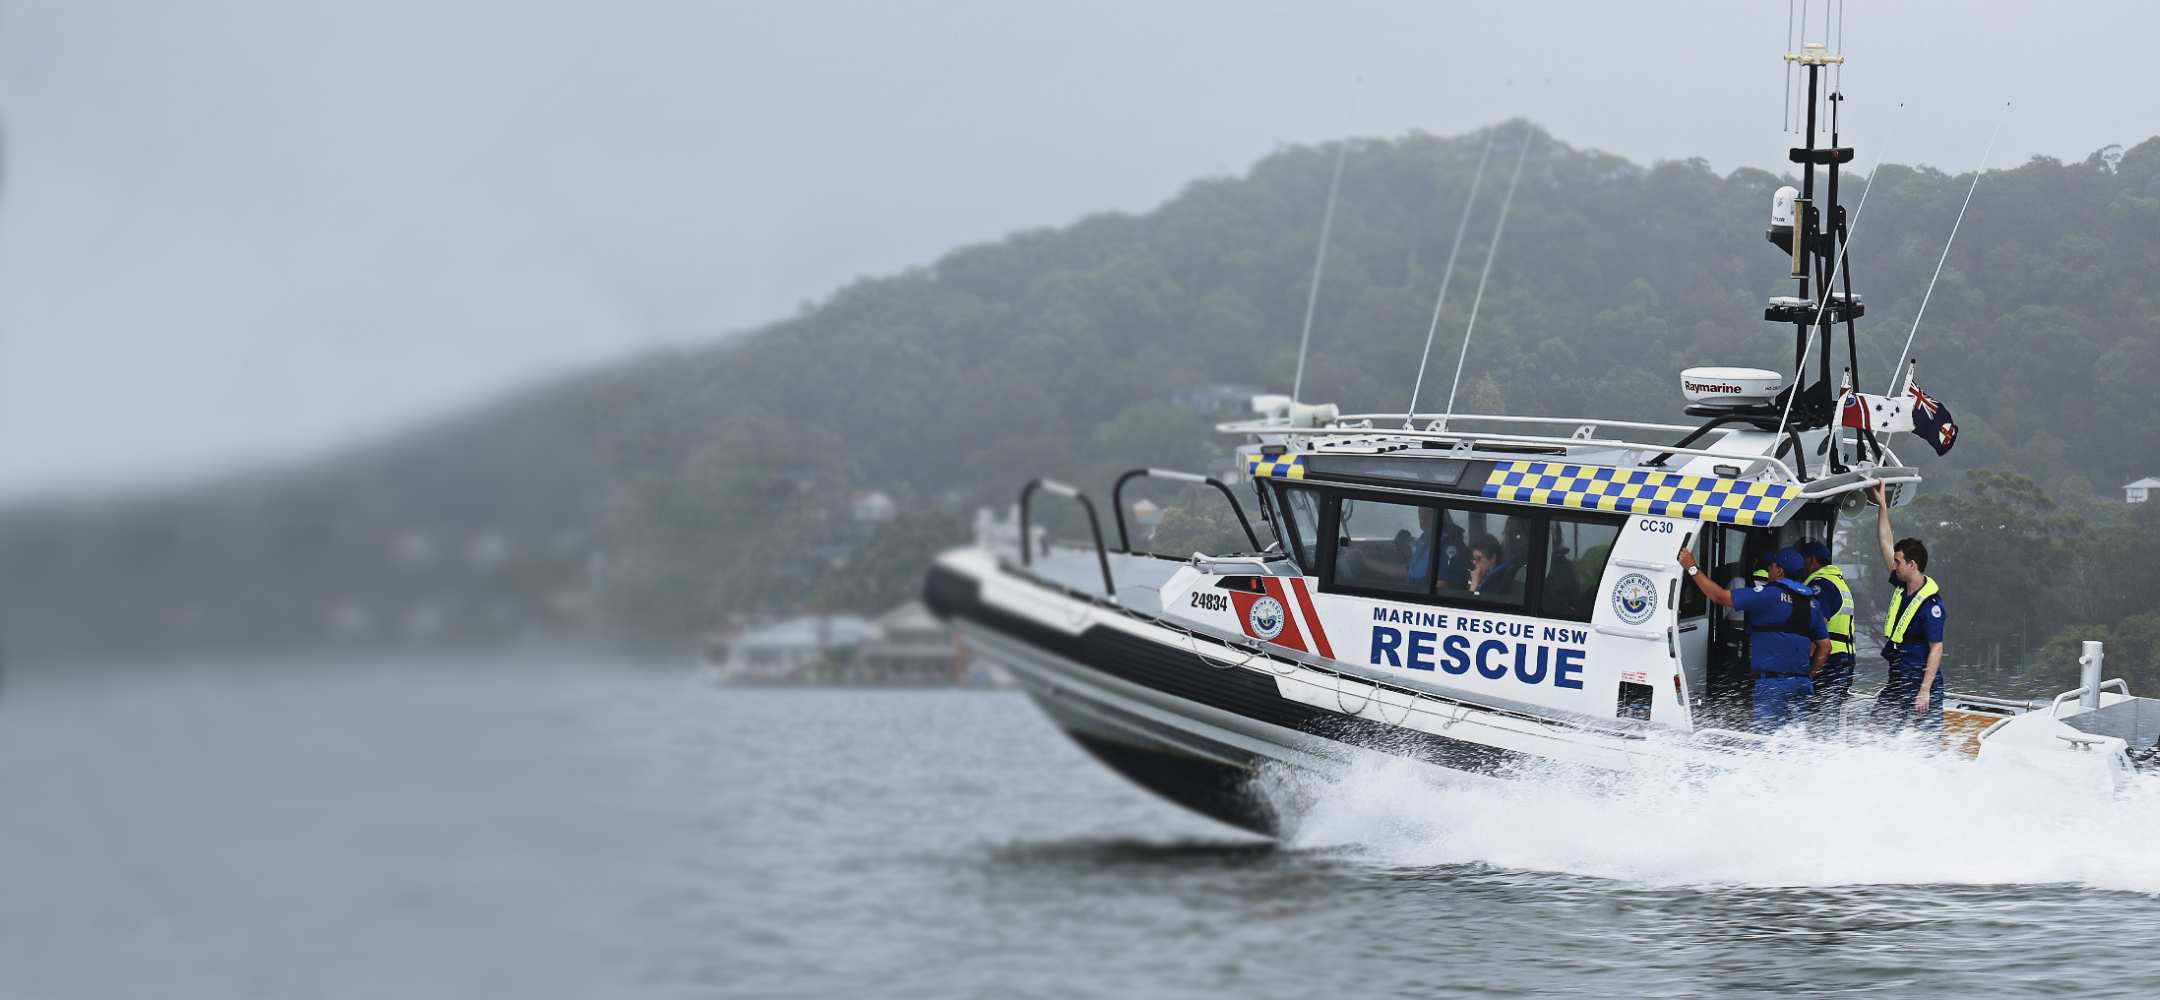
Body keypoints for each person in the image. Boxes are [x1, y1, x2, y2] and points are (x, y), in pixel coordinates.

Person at [1677, 545, 1831, 733]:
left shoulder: (1769, 595)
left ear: (1780, 570)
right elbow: (1825, 647)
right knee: (1794, 742)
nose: (1768, 569)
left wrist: (1692, 567)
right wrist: (1808, 676)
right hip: (1802, 686)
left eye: (1772, 565)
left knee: (1766, 743)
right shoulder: (1812, 604)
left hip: (1773, 686)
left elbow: (1718, 596)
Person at [1866, 484, 1946, 735]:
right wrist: (1882, 506)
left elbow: (1937, 648)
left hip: (1921, 683)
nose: (1893, 566)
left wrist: (1924, 692)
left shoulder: (1931, 606)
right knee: (1873, 729)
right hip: (1898, 678)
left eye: (1898, 562)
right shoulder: (1901, 586)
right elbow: (1885, 542)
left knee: (1927, 743)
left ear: (1912, 565)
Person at [1798, 540, 1857, 735]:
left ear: (1812, 561)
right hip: (1845, 658)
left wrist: (1805, 667)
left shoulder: (1820, 583)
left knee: (1824, 715)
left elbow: (1818, 626)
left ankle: (1824, 756)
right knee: (1830, 714)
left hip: (1828, 659)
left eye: (1802, 560)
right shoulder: (1839, 581)